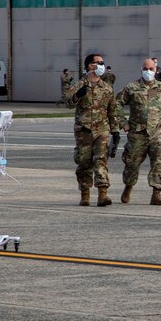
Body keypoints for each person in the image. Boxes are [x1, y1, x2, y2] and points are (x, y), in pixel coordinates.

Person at [116, 58, 161, 205]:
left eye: (151, 69)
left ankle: (157, 193)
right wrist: (123, 122)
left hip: (156, 132)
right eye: (145, 68)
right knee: (132, 164)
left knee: (159, 162)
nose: (148, 71)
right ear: (141, 69)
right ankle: (128, 187)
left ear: (156, 70)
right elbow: (116, 104)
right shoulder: (132, 87)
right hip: (137, 133)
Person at [64, 53, 119, 207]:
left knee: (101, 160)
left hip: (101, 129)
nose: (101, 65)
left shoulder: (107, 88)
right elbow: (68, 102)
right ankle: (85, 194)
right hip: (84, 130)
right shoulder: (80, 85)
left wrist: (115, 130)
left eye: (102, 62)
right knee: (84, 162)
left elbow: (112, 110)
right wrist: (76, 96)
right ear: (90, 65)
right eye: (98, 62)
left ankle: (103, 194)